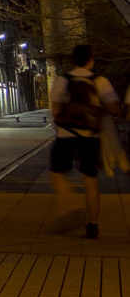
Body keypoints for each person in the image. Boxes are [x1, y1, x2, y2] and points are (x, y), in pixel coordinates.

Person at [49, 44, 118, 238]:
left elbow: (55, 111)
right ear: (91, 60)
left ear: (72, 60)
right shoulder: (100, 81)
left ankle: (70, 205)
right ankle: (93, 226)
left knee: (57, 174)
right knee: (90, 179)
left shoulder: (62, 80)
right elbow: (113, 109)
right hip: (90, 138)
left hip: (65, 136)